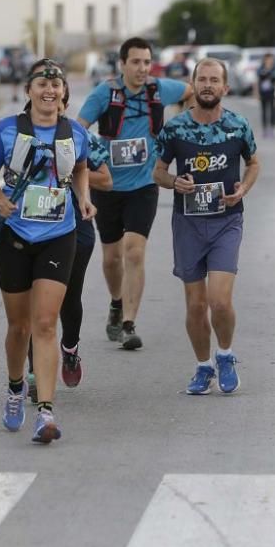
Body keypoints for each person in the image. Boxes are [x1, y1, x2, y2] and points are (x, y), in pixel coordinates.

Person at [0, 59, 96, 444]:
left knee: (46, 324)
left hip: (58, 234)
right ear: (29, 90)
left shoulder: (74, 132)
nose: (50, 91)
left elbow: (80, 168)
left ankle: (45, 412)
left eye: (56, 85)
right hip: (13, 235)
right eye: (42, 84)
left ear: (63, 91)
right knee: (20, 326)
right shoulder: (8, 130)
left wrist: (84, 199)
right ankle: (15, 387)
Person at [153, 58, 260, 395]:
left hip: (226, 221)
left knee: (220, 302)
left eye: (215, 80)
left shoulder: (238, 126)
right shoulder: (175, 128)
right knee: (196, 305)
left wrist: (243, 188)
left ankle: (225, 355)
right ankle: (203, 366)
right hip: (188, 224)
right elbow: (157, 171)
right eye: (203, 79)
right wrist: (173, 183)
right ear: (194, 85)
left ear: (225, 88)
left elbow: (253, 163)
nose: (208, 85)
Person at [78, 36, 193, 350]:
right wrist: (92, 159)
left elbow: (190, 92)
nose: (143, 68)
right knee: (112, 258)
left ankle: (129, 323)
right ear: (123, 64)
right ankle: (116, 302)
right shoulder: (106, 93)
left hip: (144, 185)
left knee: (134, 251)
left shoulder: (159, 89)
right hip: (108, 186)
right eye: (136, 62)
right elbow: (78, 128)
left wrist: (187, 129)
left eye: (147, 62)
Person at [26, 84, 113, 399]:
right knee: (36, 301)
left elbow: (105, 177)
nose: (52, 101)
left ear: (63, 99)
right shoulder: (24, 136)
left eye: (58, 96)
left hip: (75, 227)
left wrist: (76, 179)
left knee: (68, 295)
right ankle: (35, 373)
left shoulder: (80, 135)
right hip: (33, 226)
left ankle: (70, 348)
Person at [254, 53, 275, 138]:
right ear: (265, 60)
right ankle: (264, 130)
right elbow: (257, 82)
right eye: (268, 59)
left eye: (271, 59)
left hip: (272, 93)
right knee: (264, 111)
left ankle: (271, 130)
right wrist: (256, 93)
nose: (270, 61)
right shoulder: (260, 69)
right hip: (263, 93)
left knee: (272, 112)